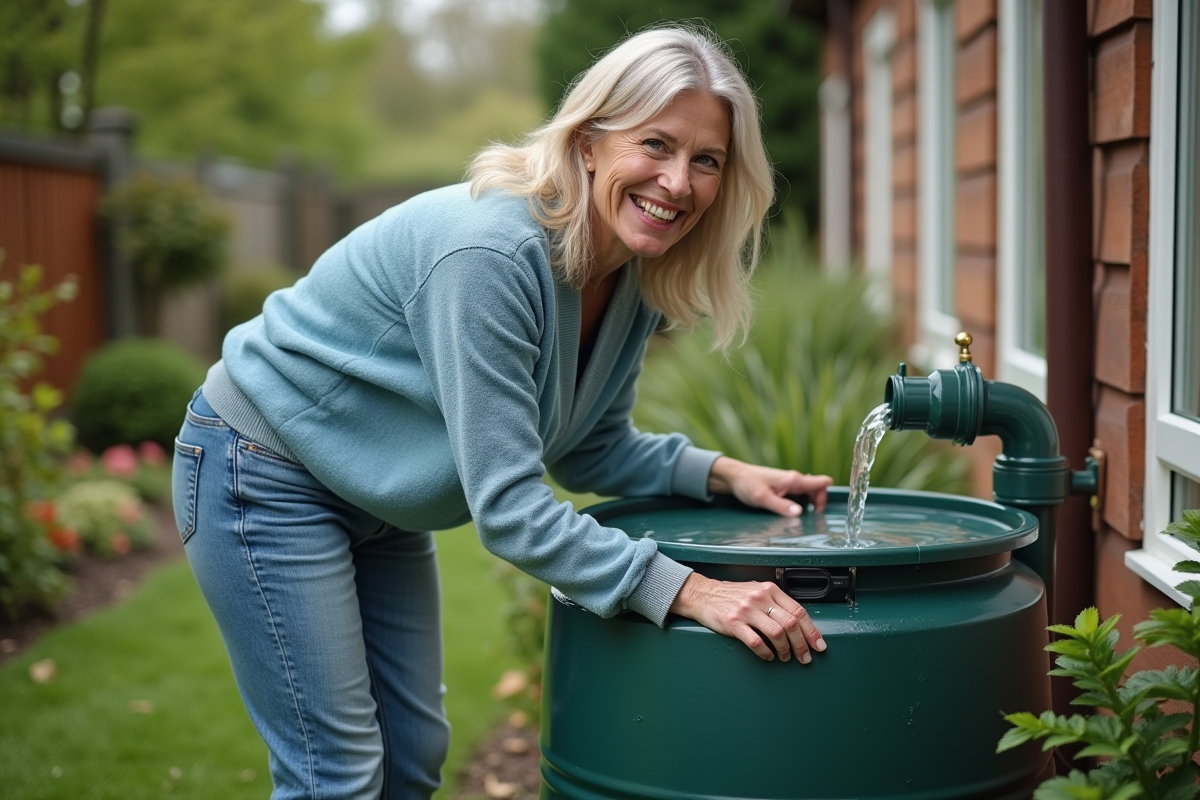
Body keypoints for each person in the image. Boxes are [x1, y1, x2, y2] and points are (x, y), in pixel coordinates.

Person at [172, 23, 833, 800]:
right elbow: (512, 510)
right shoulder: (493, 256)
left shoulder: (629, 274)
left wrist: (725, 476)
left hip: (372, 497)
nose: (678, 182)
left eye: (706, 160)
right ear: (588, 142)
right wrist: (692, 591)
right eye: (655, 144)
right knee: (337, 776)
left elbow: (591, 448)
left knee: (412, 756)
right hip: (264, 470)